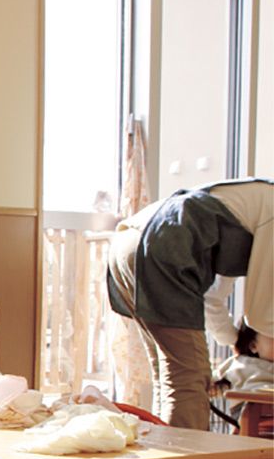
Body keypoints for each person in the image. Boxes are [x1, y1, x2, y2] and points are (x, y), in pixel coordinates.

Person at [107, 177, 273, 430]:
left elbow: (215, 296)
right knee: (189, 382)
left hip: (131, 241)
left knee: (169, 377)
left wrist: (234, 341)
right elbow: (262, 316)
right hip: (164, 246)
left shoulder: (256, 199)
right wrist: (243, 342)